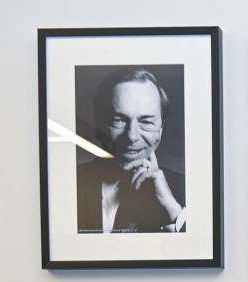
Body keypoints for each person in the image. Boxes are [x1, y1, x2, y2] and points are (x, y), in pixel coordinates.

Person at [77, 67, 186, 233]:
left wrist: (172, 209)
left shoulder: (184, 191)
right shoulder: (68, 184)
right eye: (119, 120)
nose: (132, 136)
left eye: (146, 122)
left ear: (160, 130)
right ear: (98, 126)